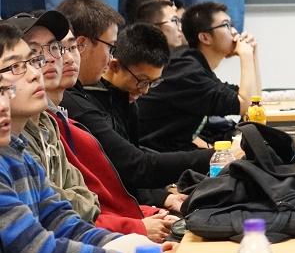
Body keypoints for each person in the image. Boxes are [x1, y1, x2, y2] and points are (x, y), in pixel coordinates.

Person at [0, 26, 163, 253]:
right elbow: (38, 252)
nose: (35, 73)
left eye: (32, 62)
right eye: (16, 67)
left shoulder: (19, 150)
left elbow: (65, 221)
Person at [61, 22, 210, 208]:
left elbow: (130, 164)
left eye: (152, 83)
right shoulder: (82, 106)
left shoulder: (126, 101)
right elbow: (135, 166)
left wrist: (161, 197)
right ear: (114, 65)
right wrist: (213, 157)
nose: (145, 90)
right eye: (142, 81)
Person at [3, 12, 99, 221]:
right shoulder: (12, 146)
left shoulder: (49, 123)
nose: (48, 60)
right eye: (19, 64)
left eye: (54, 47)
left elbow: (87, 199)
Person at [136, 1, 260, 153]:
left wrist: (253, 54)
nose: (234, 32)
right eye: (226, 25)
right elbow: (246, 105)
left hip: (171, 151)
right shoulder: (185, 69)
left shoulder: (195, 65)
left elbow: (254, 101)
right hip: (156, 156)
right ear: (205, 38)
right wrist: (246, 55)